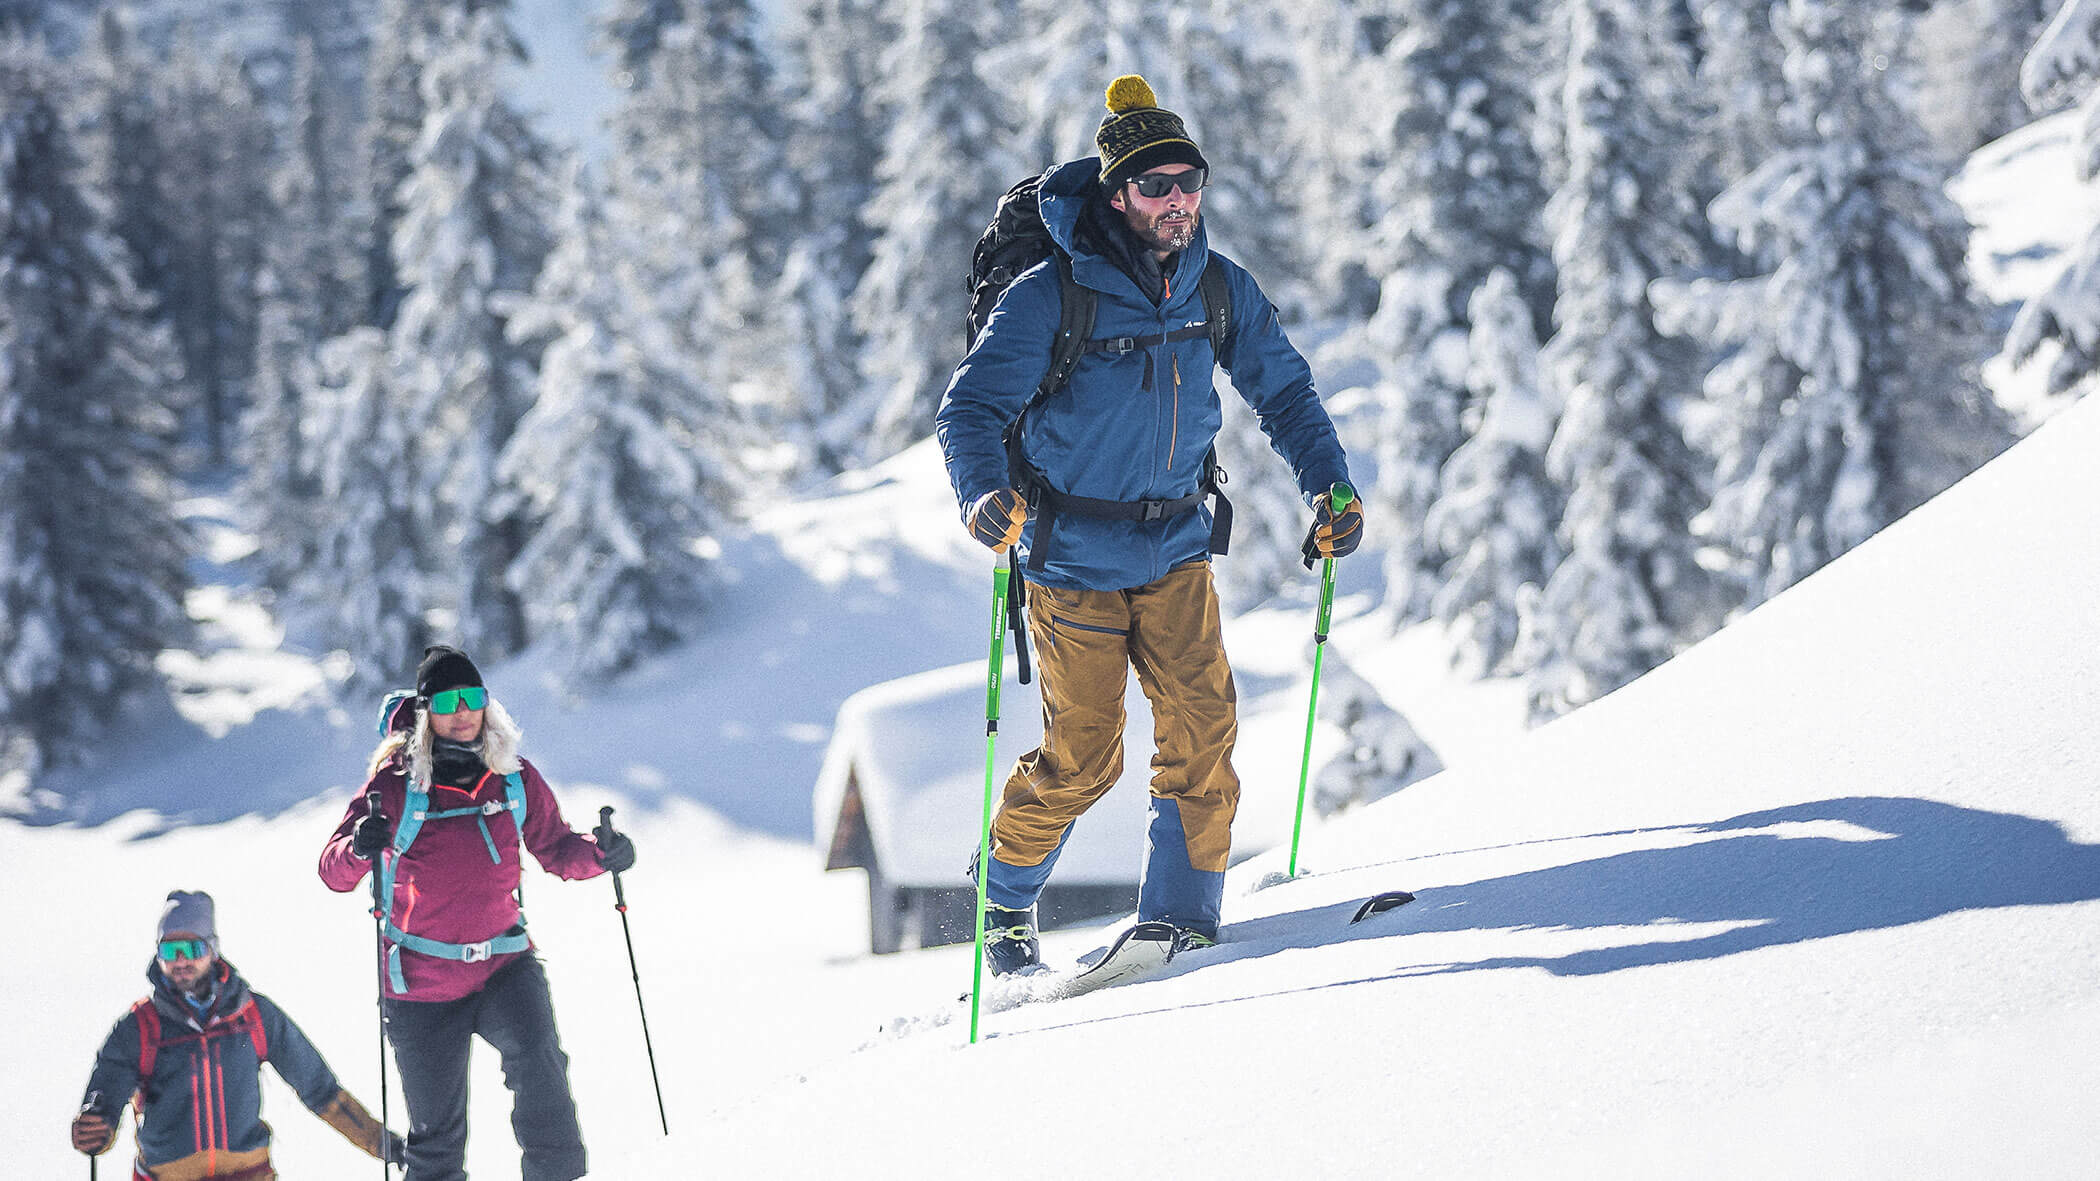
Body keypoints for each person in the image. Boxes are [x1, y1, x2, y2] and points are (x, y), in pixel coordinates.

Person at [936, 75, 1364, 974]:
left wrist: (1329, 485)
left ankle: (1181, 924)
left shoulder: (1219, 286)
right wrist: (981, 495)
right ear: (1117, 194)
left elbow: (1284, 391)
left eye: (1189, 182)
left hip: (1175, 549)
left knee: (1204, 733)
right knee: (1085, 756)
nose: (1177, 201)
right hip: (1070, 560)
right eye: (1155, 185)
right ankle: (1001, 897)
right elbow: (969, 409)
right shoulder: (1053, 295)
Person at [318, 645, 636, 1181]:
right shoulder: (394, 786)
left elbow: (557, 848)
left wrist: (602, 854)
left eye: (472, 697)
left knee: (543, 1077)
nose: (463, 711)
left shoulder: (513, 776)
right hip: (421, 985)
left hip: (504, 965)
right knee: (437, 1140)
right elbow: (333, 871)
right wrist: (358, 846)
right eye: (447, 701)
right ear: (426, 713)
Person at [72, 890, 402, 1179]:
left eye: (192, 948)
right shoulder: (140, 1026)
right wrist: (95, 1128)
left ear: (212, 950)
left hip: (248, 1173)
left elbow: (320, 1089)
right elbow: (104, 1099)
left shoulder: (253, 1015)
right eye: (170, 951)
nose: (181, 961)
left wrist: (382, 1143)